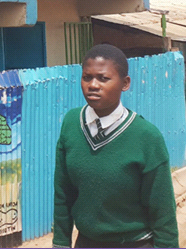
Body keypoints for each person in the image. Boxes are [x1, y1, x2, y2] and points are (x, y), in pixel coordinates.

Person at [53, 44, 179, 248]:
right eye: (87, 77)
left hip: (134, 243)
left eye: (103, 78)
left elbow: (162, 210)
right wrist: (60, 243)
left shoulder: (146, 137)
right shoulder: (71, 123)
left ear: (125, 83)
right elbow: (63, 192)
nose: (93, 85)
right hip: (86, 242)